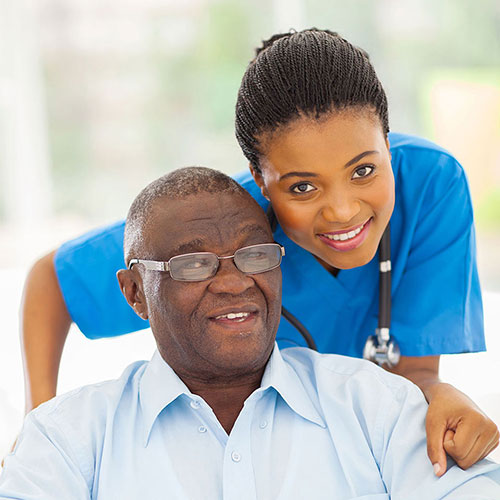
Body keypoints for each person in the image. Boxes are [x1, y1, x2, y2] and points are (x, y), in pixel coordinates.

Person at [18, 29, 498, 476]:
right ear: (260, 178)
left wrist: (444, 398)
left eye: (363, 171)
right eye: (303, 186)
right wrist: (37, 428)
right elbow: (51, 281)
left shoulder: (432, 185)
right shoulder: (225, 227)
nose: (343, 211)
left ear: (387, 143)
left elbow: (412, 372)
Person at [2, 168, 500, 500]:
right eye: (194, 264)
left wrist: (437, 391)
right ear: (134, 293)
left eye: (255, 255)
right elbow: (53, 280)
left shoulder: (378, 407)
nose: (236, 280)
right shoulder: (67, 441)